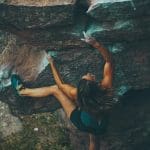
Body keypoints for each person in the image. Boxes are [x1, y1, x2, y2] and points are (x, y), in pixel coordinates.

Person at [11, 32, 113, 150]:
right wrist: (96, 44)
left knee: (55, 90)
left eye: (86, 76)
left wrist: (52, 64)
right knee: (95, 137)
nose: (88, 74)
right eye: (88, 76)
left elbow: (59, 85)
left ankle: (23, 91)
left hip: (82, 122)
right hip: (101, 124)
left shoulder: (75, 93)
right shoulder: (106, 88)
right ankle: (23, 91)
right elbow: (109, 61)